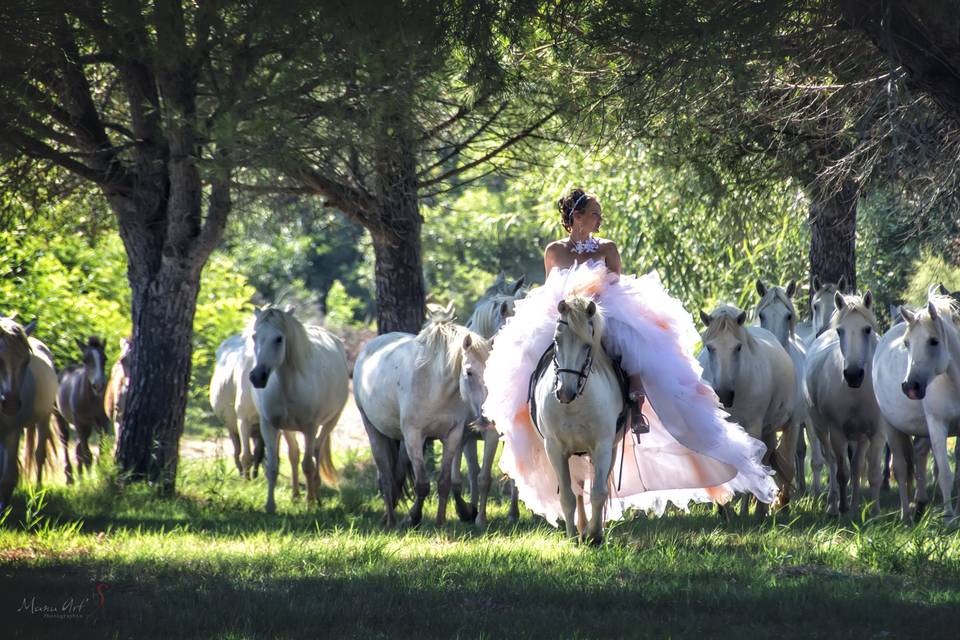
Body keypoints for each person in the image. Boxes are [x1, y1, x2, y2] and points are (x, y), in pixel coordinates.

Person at [482, 187, 778, 524]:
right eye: (594, 212)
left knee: (628, 341)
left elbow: (615, 286)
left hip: (603, 312)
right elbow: (552, 291)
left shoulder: (607, 248)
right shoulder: (554, 251)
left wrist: (594, 310)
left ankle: (635, 401)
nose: (600, 219)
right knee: (536, 354)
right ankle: (532, 410)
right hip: (565, 315)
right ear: (576, 217)